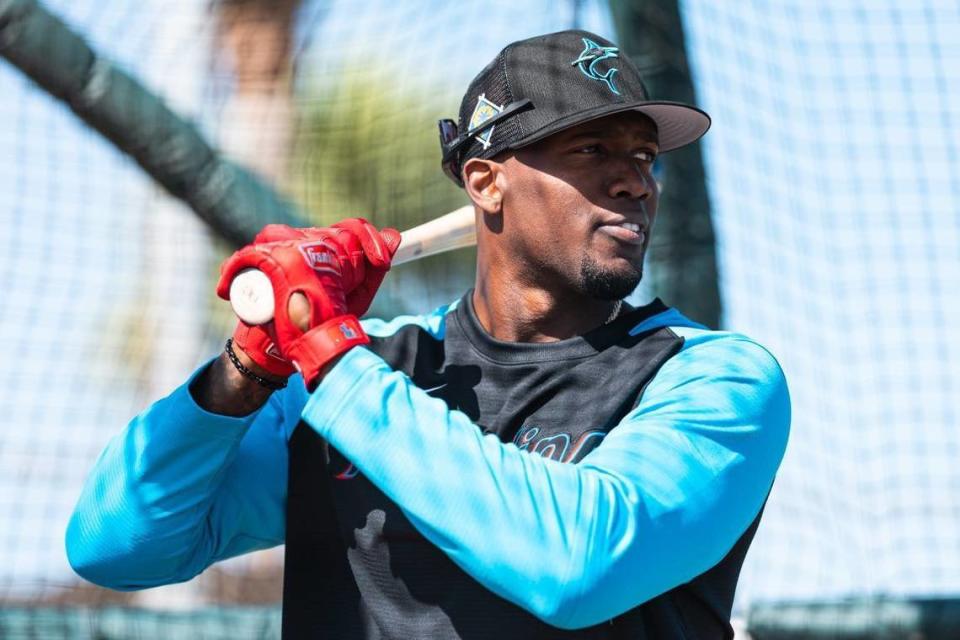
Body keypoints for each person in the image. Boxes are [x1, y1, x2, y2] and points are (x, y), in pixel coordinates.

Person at [67, 30, 790, 639]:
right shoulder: (375, 367)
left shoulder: (713, 375)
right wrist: (246, 367)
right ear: (485, 182)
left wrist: (325, 350)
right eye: (592, 150)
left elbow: (579, 566)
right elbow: (117, 547)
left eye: (644, 156)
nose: (636, 181)